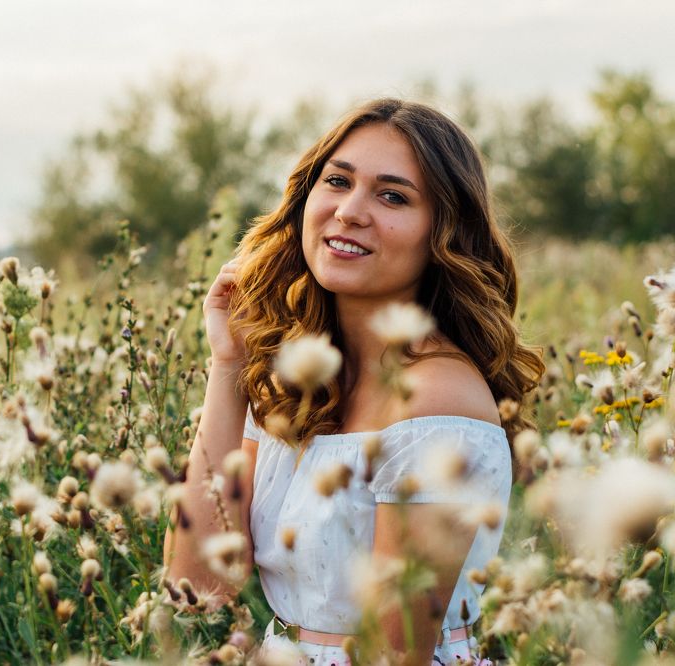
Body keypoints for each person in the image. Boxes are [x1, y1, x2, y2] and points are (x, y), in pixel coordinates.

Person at [163, 98, 544, 665]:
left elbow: (394, 656)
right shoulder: (295, 382)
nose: (349, 211)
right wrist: (229, 366)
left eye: (392, 196)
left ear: (442, 232)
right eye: (338, 181)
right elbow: (198, 589)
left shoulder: (436, 403)